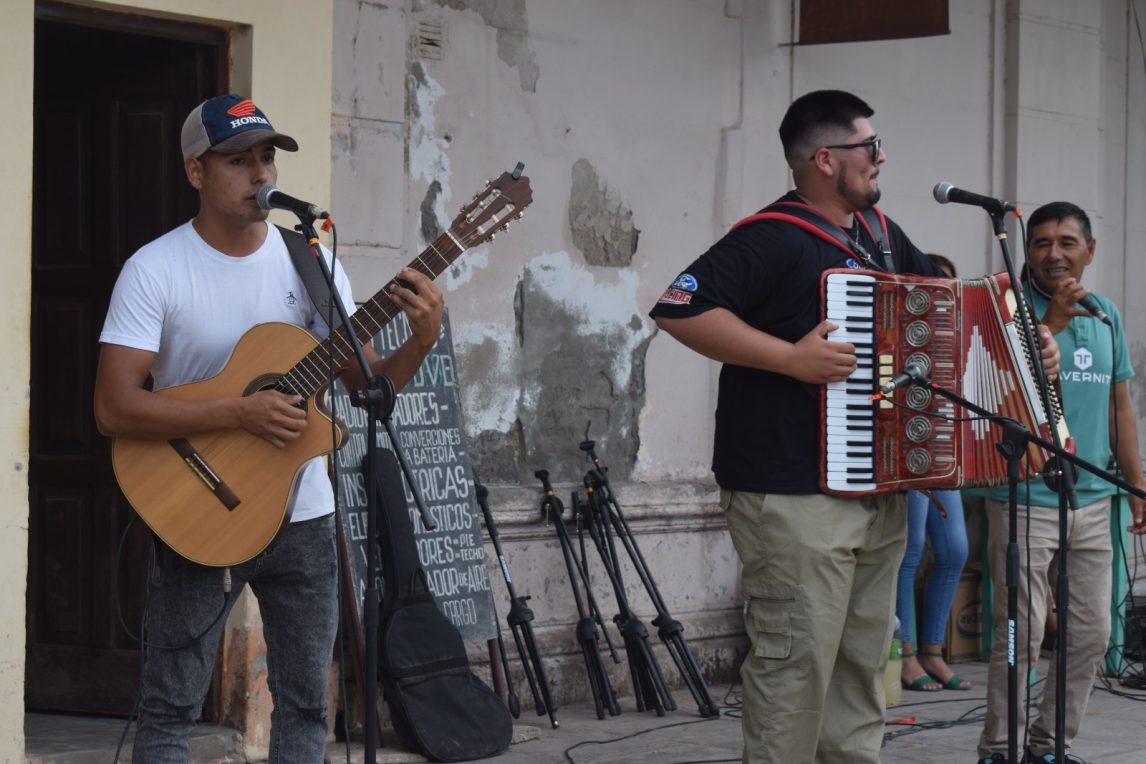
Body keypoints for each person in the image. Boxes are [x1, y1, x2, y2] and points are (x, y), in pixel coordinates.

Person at [650, 90, 1059, 763]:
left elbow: (950, 325)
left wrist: (1027, 342)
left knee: (864, 670)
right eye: (870, 148)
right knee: (795, 670)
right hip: (790, 492)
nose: (882, 158)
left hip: (879, 490)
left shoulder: (880, 236)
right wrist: (791, 359)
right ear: (826, 160)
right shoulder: (771, 236)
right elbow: (678, 309)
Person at [93, 94, 443, 762]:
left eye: (267, 158)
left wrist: (422, 339)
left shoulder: (311, 262)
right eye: (238, 161)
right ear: (196, 172)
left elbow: (366, 390)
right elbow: (113, 408)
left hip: (305, 517)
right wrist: (236, 411)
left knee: (309, 706)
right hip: (198, 505)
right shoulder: (155, 269)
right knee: (169, 708)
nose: (261, 176)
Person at [977, 201, 1146, 764]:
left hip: (1094, 499)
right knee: (1019, 634)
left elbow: (1121, 407)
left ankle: (1050, 748)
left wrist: (1137, 486)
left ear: (1089, 251)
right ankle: (1001, 749)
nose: (1053, 253)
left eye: (1067, 242)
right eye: (1042, 243)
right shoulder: (1008, 310)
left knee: (1091, 634)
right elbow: (1004, 392)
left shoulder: (1106, 315)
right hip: (1024, 495)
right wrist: (1051, 325)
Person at [896, 254, 972, 693]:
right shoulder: (901, 333)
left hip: (943, 452)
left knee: (955, 551)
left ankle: (932, 652)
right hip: (908, 451)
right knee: (909, 550)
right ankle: (905, 654)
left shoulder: (957, 338)